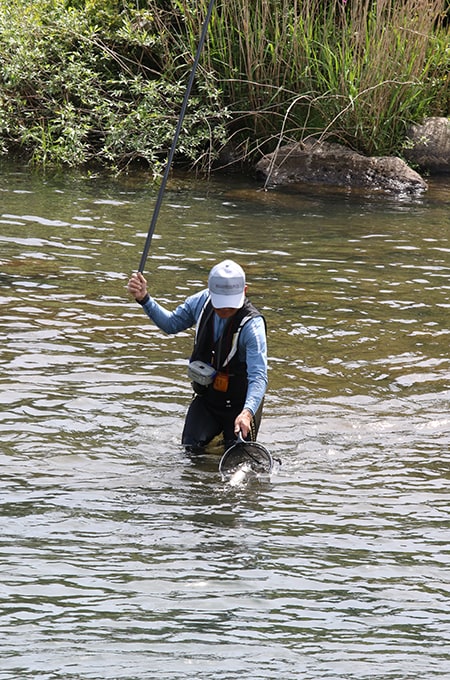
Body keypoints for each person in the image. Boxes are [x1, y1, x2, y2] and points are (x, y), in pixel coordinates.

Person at [127, 260, 268, 454]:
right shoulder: (201, 301)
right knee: (190, 451)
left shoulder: (253, 327)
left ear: (244, 291)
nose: (225, 311)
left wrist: (247, 412)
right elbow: (171, 324)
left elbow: (258, 376)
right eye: (220, 305)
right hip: (207, 399)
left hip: (240, 407)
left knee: (238, 459)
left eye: (230, 306)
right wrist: (144, 299)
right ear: (210, 291)